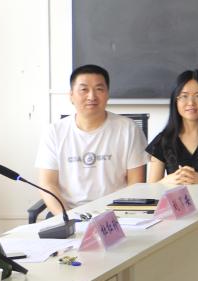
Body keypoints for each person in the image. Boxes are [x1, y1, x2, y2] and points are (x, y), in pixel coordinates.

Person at [35, 65, 148, 215]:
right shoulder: (54, 132)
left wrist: (118, 217)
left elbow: (135, 184)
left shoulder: (128, 129)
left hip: (117, 214)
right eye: (84, 89)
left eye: (99, 89)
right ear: (71, 95)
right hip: (69, 213)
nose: (91, 96)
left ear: (107, 94)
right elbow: (48, 184)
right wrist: (67, 217)